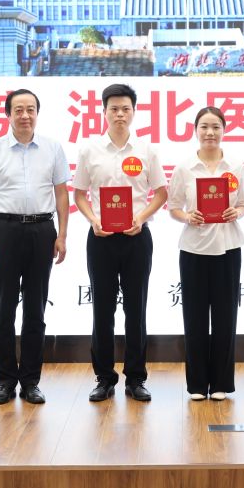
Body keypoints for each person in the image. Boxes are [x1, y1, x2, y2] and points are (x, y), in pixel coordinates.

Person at [72, 83, 167, 402]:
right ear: (104, 112)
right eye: (114, 109)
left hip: (137, 238)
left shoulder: (147, 150)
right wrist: (93, 219)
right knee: (102, 309)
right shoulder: (90, 150)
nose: (120, 114)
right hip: (100, 238)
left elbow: (161, 193)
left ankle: (136, 378)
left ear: (134, 112)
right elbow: (79, 194)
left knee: (136, 308)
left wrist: (141, 217)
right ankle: (104, 378)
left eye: (126, 108)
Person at [0, 88, 70, 405]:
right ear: (8, 114)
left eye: (31, 109)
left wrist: (62, 235)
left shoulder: (53, 148)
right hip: (4, 230)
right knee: (3, 310)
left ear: (37, 113)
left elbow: (61, 195)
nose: (25, 115)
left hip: (42, 231)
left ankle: (30, 381)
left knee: (35, 310)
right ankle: (4, 381)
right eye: (19, 109)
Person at [168, 107, 244, 401]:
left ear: (224, 130)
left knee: (226, 317)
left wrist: (236, 212)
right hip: (193, 249)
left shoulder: (236, 166)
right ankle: (197, 384)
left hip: (228, 247)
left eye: (216, 126)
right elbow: (173, 207)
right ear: (195, 130)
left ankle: (221, 383)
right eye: (204, 127)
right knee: (195, 317)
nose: (210, 132)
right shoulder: (184, 168)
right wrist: (187, 216)